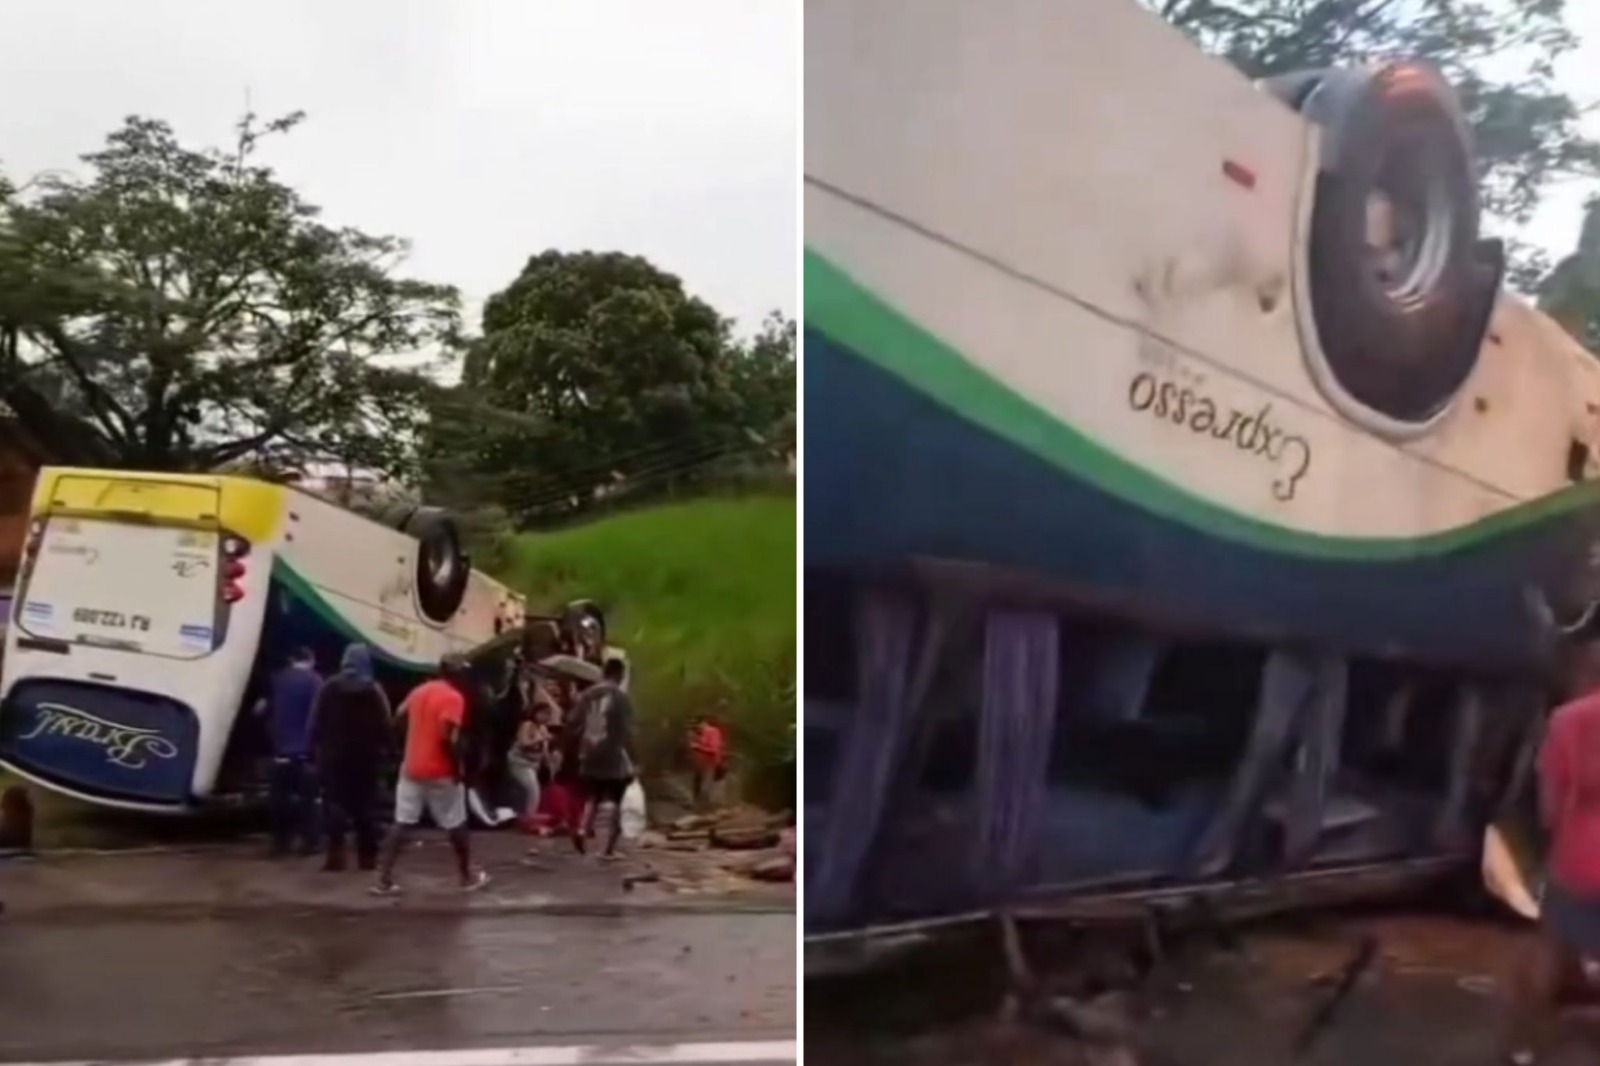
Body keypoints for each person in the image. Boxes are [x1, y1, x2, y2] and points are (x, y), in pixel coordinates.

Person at [1506, 640, 1600, 1064]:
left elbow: (1549, 803)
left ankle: (1525, 1049)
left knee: (1551, 945)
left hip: (1577, 854)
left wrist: (1554, 838)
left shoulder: (1566, 719)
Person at [371, 654, 489, 895]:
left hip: (412, 766)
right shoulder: (454, 697)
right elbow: (448, 736)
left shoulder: (420, 691)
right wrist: (459, 768)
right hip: (440, 770)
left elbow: (398, 718)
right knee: (455, 821)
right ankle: (467, 876)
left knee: (402, 822)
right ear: (455, 674)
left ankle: (382, 879)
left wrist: (409, 744)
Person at [309, 643, 392, 872]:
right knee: (365, 808)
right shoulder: (374, 690)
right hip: (366, 759)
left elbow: (315, 722)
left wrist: (313, 748)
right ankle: (367, 858)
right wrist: (389, 751)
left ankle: (335, 857)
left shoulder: (328, 687)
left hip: (333, 757)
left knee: (334, 805)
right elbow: (386, 724)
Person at [254, 647, 323, 857]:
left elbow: (259, 709)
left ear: (291, 660)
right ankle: (309, 844)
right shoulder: (316, 681)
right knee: (307, 802)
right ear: (310, 660)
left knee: (279, 802)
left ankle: (279, 845)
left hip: (280, 752)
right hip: (305, 755)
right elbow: (320, 715)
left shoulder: (276, 679)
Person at [575, 657, 637, 861]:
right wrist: (634, 757)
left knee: (593, 796)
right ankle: (608, 849)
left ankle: (582, 829)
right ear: (620, 675)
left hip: (590, 753)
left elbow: (573, 721)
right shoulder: (621, 698)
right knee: (618, 799)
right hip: (613, 755)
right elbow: (627, 731)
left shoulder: (587, 695)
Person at [689, 714, 728, 809]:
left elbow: (713, 749)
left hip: (710, 763)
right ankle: (698, 806)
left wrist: (698, 747)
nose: (696, 727)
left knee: (706, 787)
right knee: (697, 785)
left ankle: (706, 808)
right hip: (701, 764)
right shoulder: (702, 733)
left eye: (697, 725)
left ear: (703, 723)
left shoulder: (712, 732)